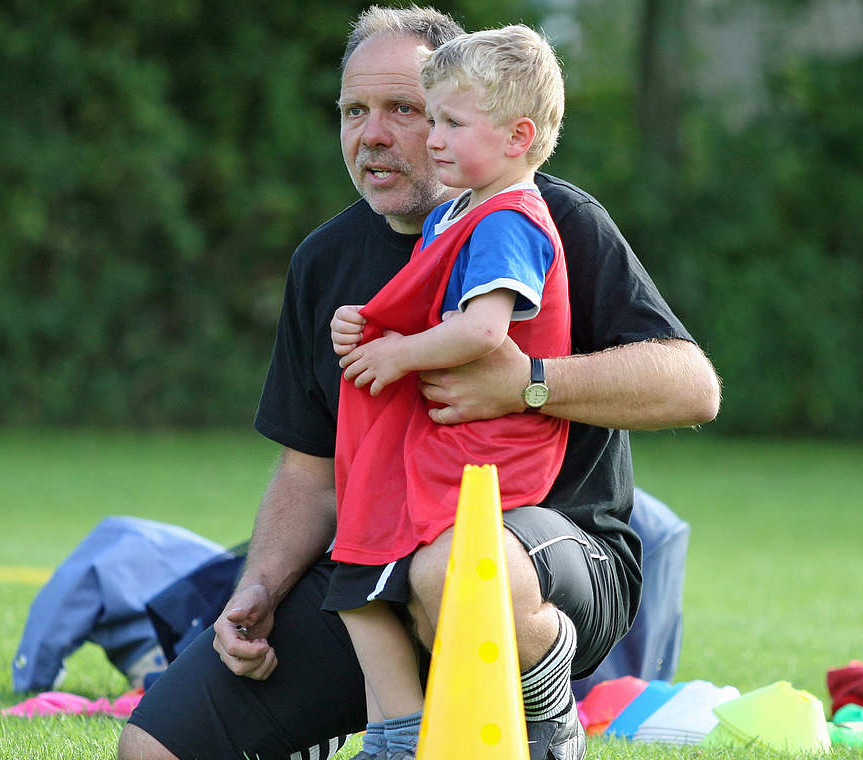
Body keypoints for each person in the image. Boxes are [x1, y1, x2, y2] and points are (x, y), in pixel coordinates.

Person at [119, 6, 720, 760]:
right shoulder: (324, 261)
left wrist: (528, 382)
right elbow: (311, 469)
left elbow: (692, 387)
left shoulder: (552, 219)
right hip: (382, 568)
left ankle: (545, 703)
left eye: (406, 109)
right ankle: (378, 728)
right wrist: (260, 589)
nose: (374, 134)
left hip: (553, 553)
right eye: (353, 111)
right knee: (152, 747)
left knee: (454, 569)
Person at [326, 25, 572, 760]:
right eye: (430, 118)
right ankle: (396, 734)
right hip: (448, 442)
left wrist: (398, 353)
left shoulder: (509, 220)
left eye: (450, 123)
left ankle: (426, 731)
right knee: (359, 573)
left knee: (376, 569)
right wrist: (364, 323)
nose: (431, 139)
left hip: (487, 451)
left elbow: (481, 333)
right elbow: (423, 303)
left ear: (517, 136)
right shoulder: (458, 211)